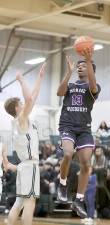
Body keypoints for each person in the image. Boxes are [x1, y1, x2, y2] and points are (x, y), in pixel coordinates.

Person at [57, 49, 101, 218]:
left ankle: (79, 199)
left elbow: (93, 86)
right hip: (67, 126)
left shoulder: (94, 87)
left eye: (85, 66)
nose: (80, 67)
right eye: (79, 66)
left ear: (91, 70)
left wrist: (89, 61)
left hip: (84, 129)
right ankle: (62, 185)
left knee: (85, 164)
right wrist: (68, 73)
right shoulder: (71, 85)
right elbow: (59, 93)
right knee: (67, 154)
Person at [4, 62, 46, 225]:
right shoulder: (21, 120)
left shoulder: (19, 121)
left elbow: (32, 96)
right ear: (16, 108)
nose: (24, 104)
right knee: (29, 202)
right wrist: (21, 80)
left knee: (19, 202)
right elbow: (30, 98)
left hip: (23, 166)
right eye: (20, 104)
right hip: (29, 166)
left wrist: (40, 78)